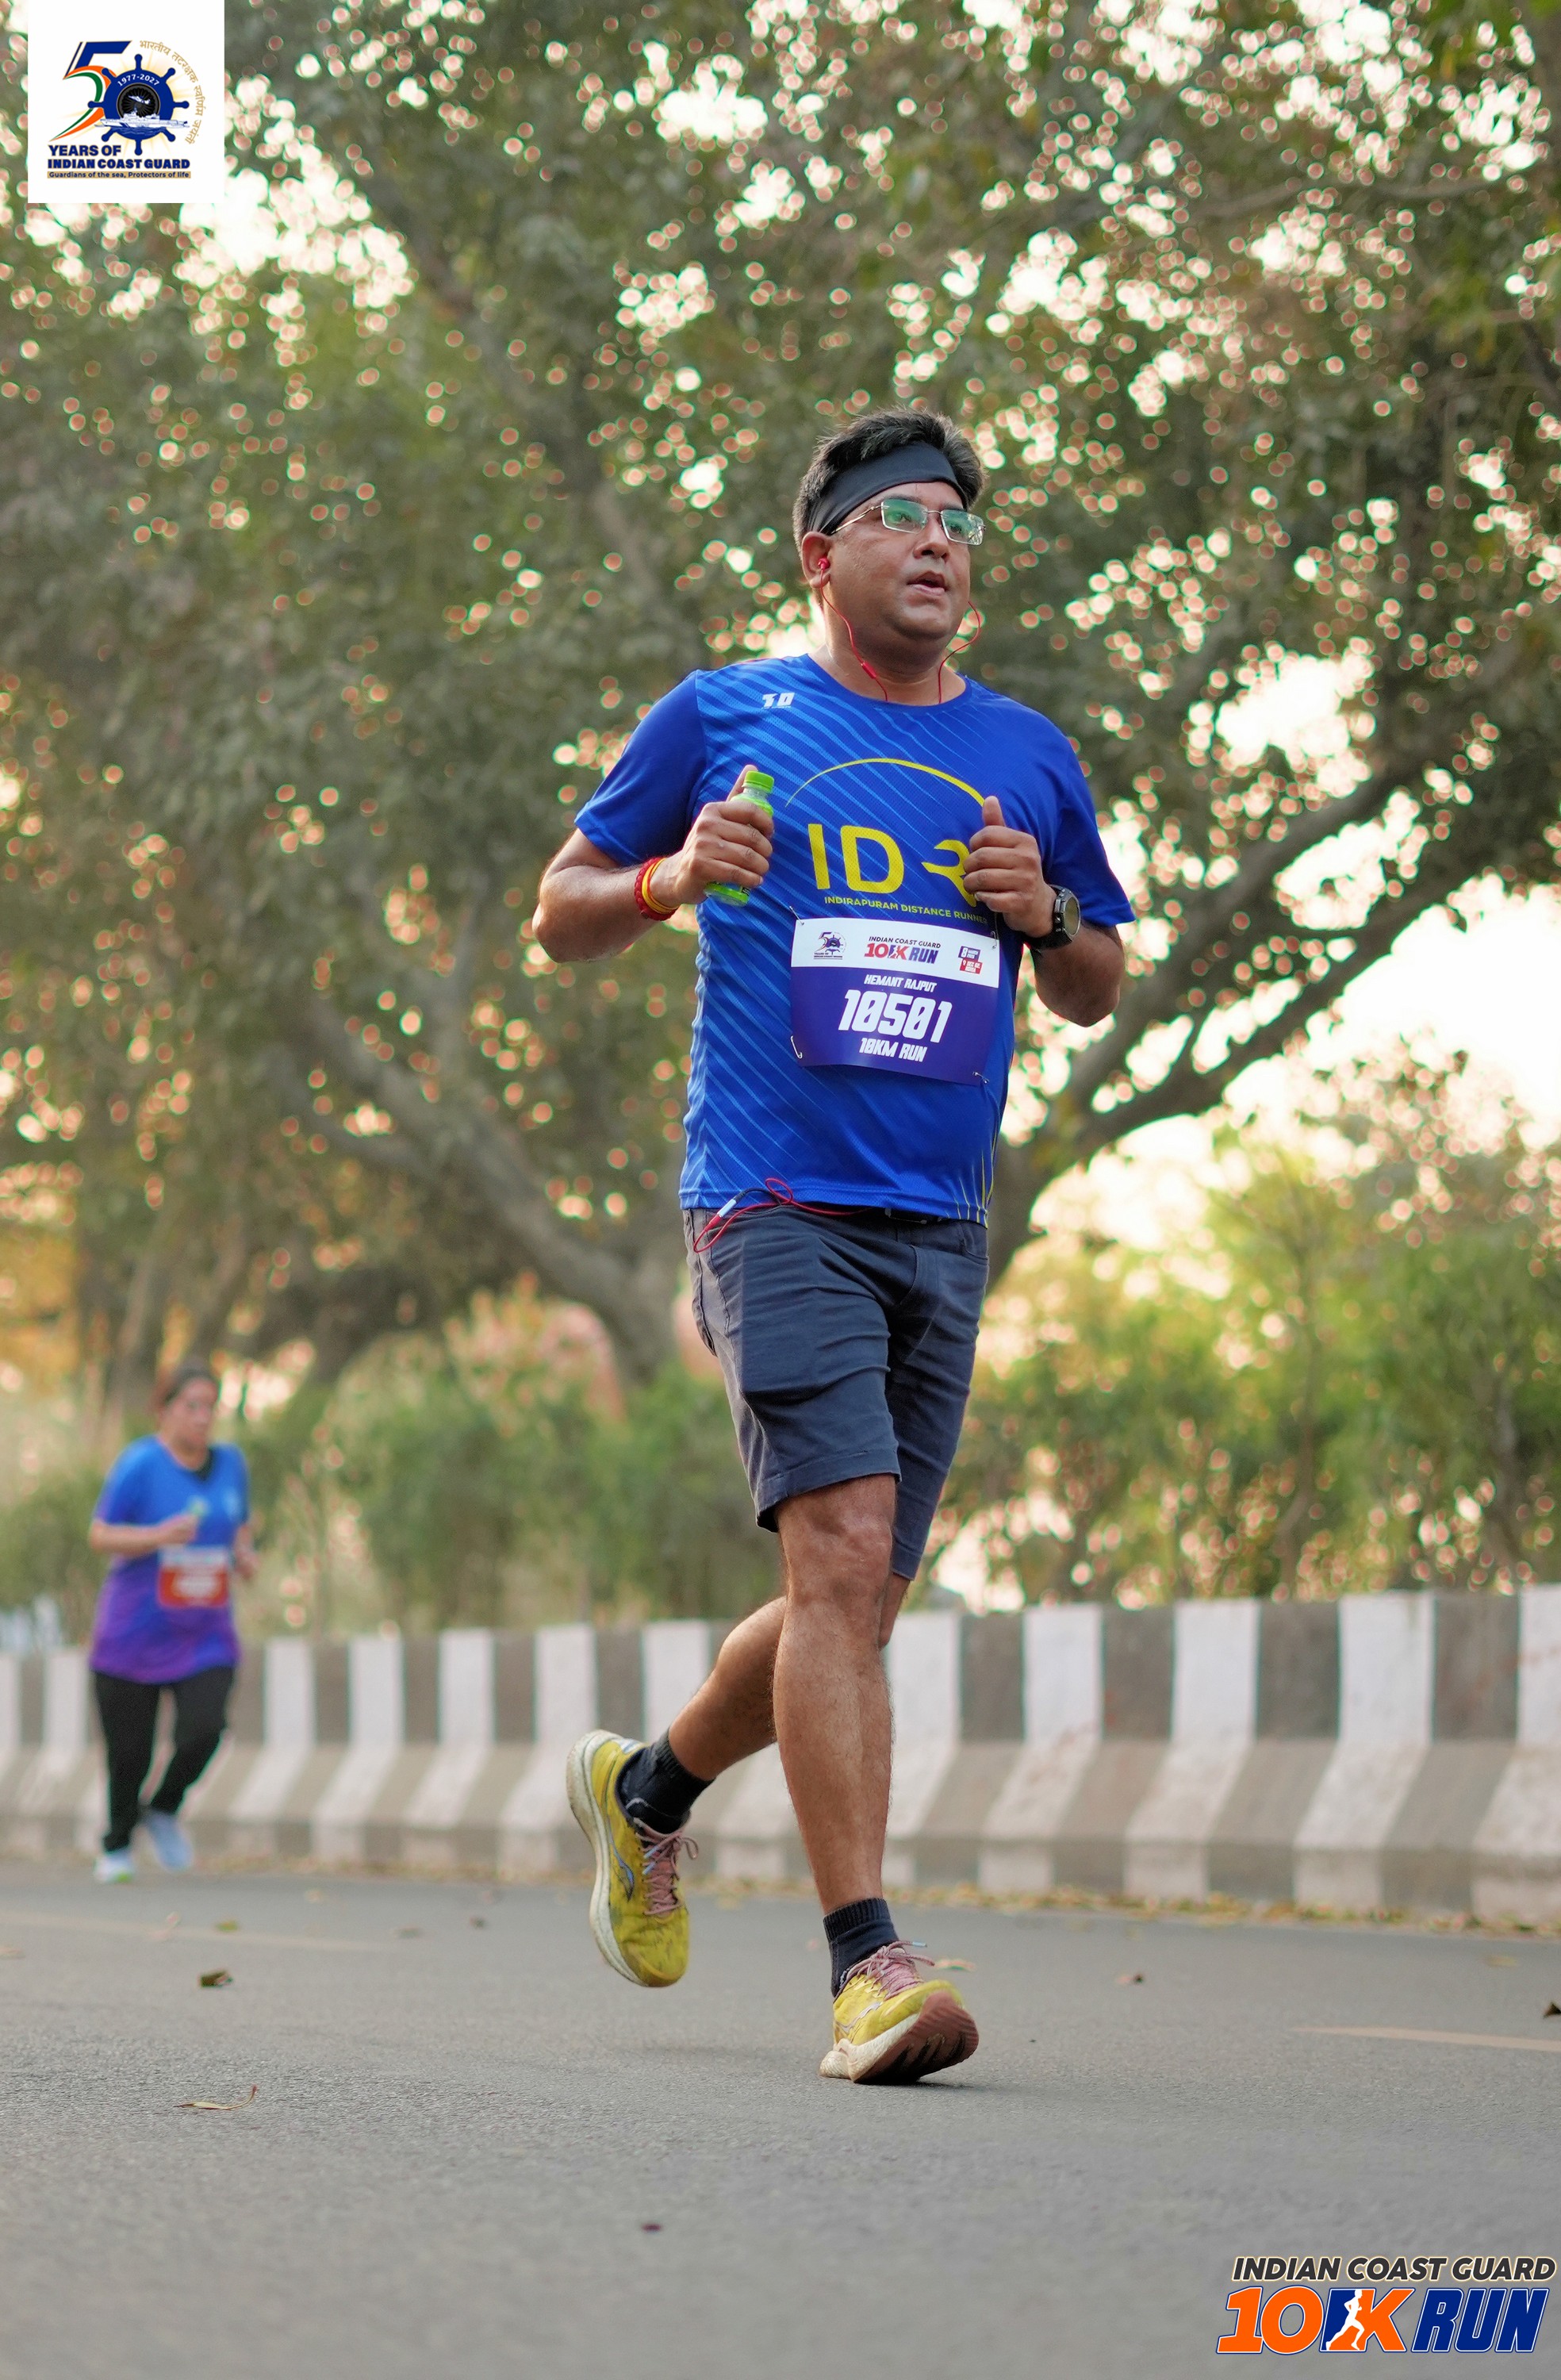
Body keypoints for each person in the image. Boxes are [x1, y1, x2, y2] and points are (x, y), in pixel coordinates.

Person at [534, 407, 1130, 2081]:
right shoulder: (721, 716)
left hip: (943, 1221)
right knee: (843, 1555)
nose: (940, 541)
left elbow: (1095, 984)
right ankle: (869, 1967)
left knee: (850, 1601)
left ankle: (648, 1788)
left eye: (959, 522)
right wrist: (667, 878)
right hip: (772, 1198)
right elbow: (557, 914)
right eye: (903, 516)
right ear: (822, 555)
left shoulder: (1025, 754)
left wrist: (1045, 914)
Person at [86, 1359, 255, 1882]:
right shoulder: (140, 1464)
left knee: (206, 1728)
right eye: (191, 1406)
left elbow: (239, 1524)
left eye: (210, 1407)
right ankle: (117, 1846)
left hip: (205, 1634)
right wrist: (157, 1536)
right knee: (129, 1753)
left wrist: (245, 1555)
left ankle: (163, 1809)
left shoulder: (232, 1464)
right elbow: (100, 1534)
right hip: (134, 1635)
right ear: (164, 1409)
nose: (202, 1417)